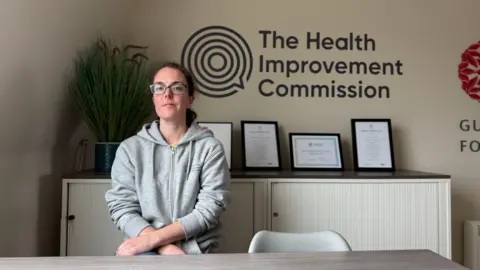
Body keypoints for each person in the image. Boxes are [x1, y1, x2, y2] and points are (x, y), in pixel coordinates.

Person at [104, 62, 232, 256]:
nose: (167, 94)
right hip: (143, 249)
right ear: (154, 98)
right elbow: (122, 207)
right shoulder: (130, 149)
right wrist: (162, 246)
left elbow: (210, 209)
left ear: (190, 99)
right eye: (160, 88)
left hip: (197, 250)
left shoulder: (210, 148)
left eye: (177, 87)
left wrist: (156, 240)